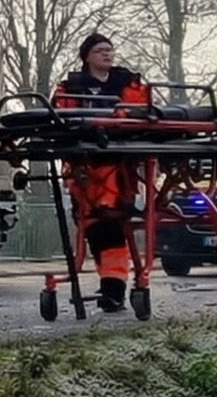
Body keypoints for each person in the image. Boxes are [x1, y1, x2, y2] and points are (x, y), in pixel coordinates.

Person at [54, 32, 151, 313]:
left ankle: (113, 288)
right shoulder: (69, 88)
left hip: (120, 166)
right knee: (98, 224)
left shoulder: (129, 84)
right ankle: (113, 287)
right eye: (100, 50)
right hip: (86, 167)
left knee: (108, 223)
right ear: (87, 57)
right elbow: (60, 118)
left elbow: (143, 113)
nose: (107, 54)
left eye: (110, 49)